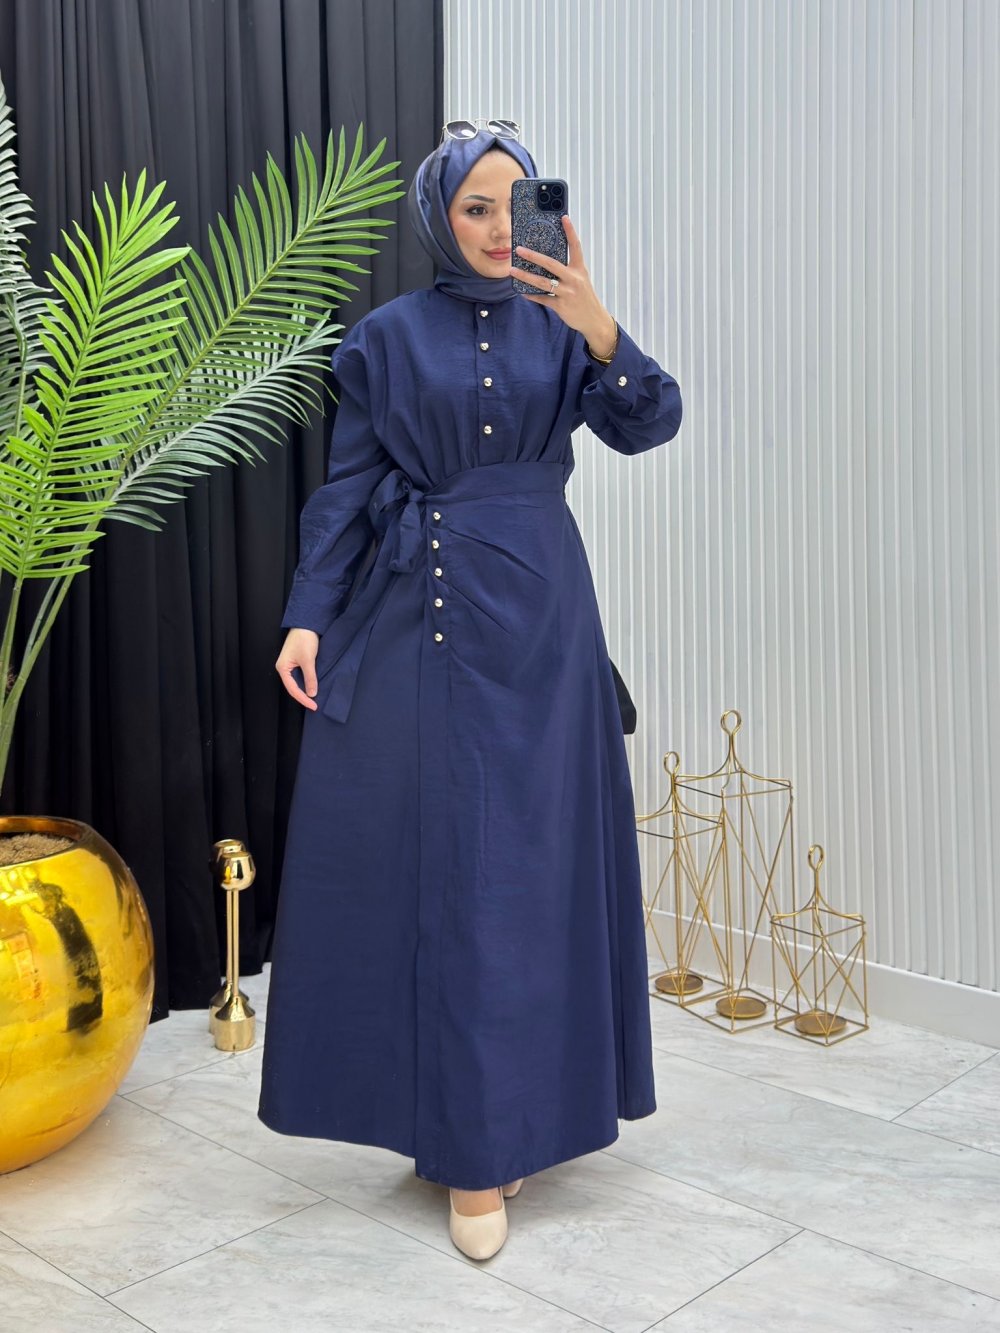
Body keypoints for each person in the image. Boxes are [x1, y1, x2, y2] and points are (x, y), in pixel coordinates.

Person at [257, 120, 683, 1262]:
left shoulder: (565, 326)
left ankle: (506, 1121)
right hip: (418, 618)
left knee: (527, 875)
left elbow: (651, 424)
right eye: (474, 208)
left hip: (542, 623)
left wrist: (599, 325)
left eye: (513, 205)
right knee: (436, 868)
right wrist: (308, 614)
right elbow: (348, 491)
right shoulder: (385, 339)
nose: (499, 229)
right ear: (439, 219)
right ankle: (460, 1135)